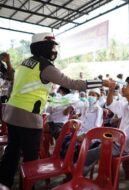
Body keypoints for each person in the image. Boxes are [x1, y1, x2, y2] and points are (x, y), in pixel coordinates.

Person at [0, 32, 109, 188]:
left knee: (11, 154)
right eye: (51, 46)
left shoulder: (26, 62)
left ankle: (4, 185)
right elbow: (71, 83)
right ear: (43, 47)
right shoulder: (44, 66)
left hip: (12, 114)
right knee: (31, 162)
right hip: (28, 117)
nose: (54, 50)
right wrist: (100, 82)